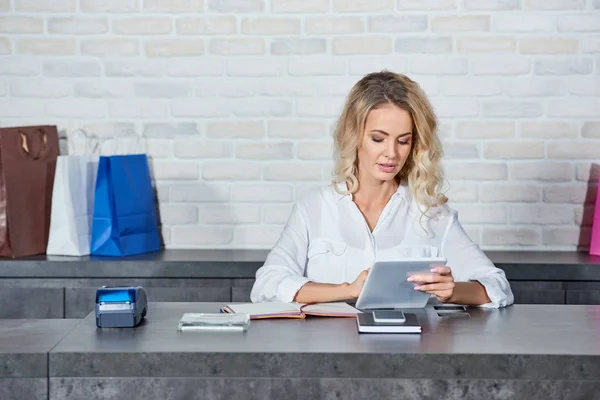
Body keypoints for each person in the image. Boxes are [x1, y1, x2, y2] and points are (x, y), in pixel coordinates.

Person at [250, 71, 513, 308]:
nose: (391, 154)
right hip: (329, 352)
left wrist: (452, 291)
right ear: (355, 136)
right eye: (378, 139)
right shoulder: (314, 208)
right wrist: (347, 290)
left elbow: (497, 286)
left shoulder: (431, 213)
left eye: (403, 141)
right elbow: (266, 285)